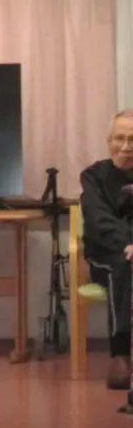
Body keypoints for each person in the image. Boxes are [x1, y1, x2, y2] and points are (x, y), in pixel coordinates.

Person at [79, 110, 133, 390]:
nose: (126, 146)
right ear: (109, 141)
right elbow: (99, 219)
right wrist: (126, 244)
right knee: (123, 266)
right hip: (106, 255)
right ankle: (120, 353)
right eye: (120, 138)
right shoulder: (93, 176)